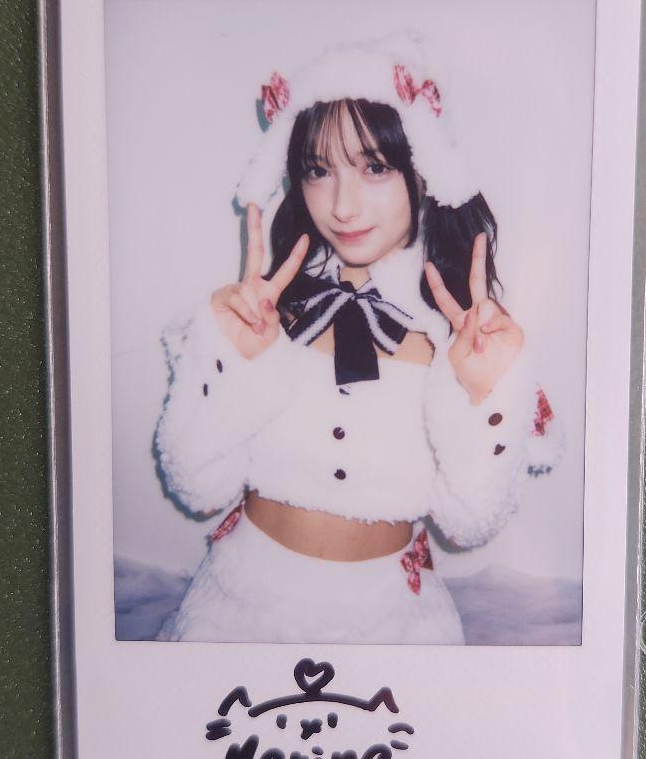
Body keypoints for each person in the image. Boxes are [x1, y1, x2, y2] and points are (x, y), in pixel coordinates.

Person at [154, 35, 559, 645]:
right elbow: (197, 487)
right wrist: (228, 355)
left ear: (421, 168)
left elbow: (470, 523)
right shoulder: (262, 313)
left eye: (374, 168)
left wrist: (485, 395)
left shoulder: (462, 338)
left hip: (395, 625)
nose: (343, 206)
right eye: (319, 172)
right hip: (237, 611)